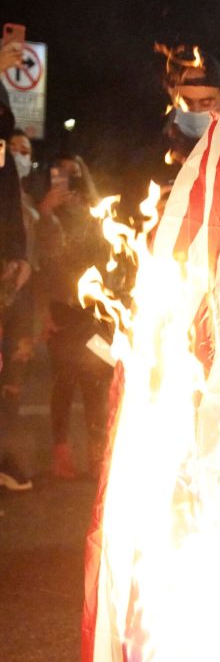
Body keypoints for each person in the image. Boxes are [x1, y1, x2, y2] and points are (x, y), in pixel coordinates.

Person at [36, 153, 111, 480]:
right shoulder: (47, 214)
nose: (67, 179)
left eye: (73, 172)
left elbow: (109, 259)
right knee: (64, 384)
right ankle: (62, 457)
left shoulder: (97, 214)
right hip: (62, 311)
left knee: (96, 383)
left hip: (94, 314)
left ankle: (98, 458)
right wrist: (44, 212)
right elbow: (40, 262)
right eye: (60, 173)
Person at [0, 129, 39, 490]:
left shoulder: (21, 200)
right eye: (12, 149)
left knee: (12, 384)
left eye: (24, 150)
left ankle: (5, 460)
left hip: (19, 301)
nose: (16, 155)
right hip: (6, 294)